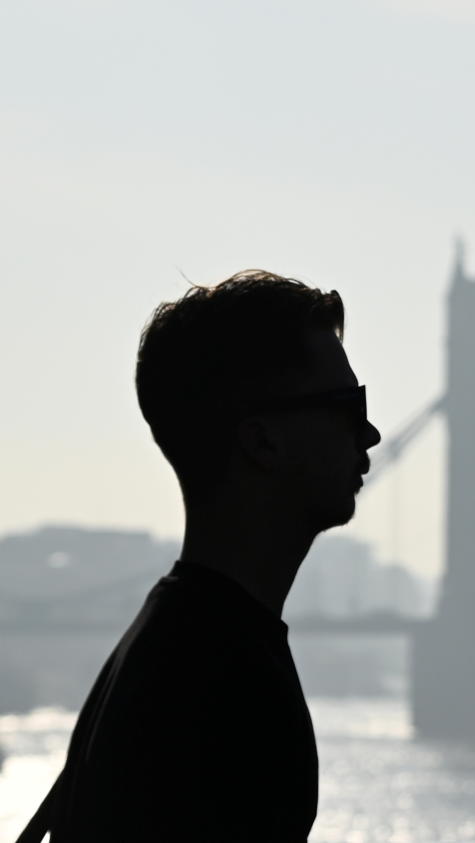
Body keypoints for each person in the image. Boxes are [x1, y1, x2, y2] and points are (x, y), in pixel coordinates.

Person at [19, 270, 382, 842]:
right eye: (346, 405)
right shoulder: (225, 685)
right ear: (262, 441)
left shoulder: (170, 646)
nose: (371, 434)